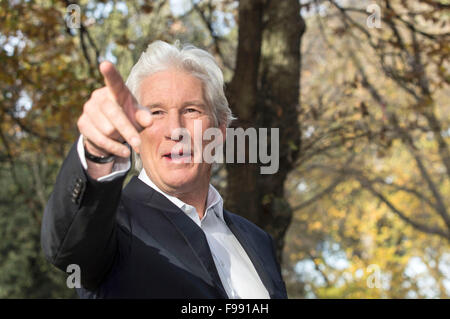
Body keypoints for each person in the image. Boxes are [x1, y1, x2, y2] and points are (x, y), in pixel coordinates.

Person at [41, 40, 287, 299]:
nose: (175, 130)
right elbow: (70, 249)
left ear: (221, 128)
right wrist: (97, 152)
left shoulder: (259, 241)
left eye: (191, 110)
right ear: (133, 126)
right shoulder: (110, 227)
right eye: (156, 112)